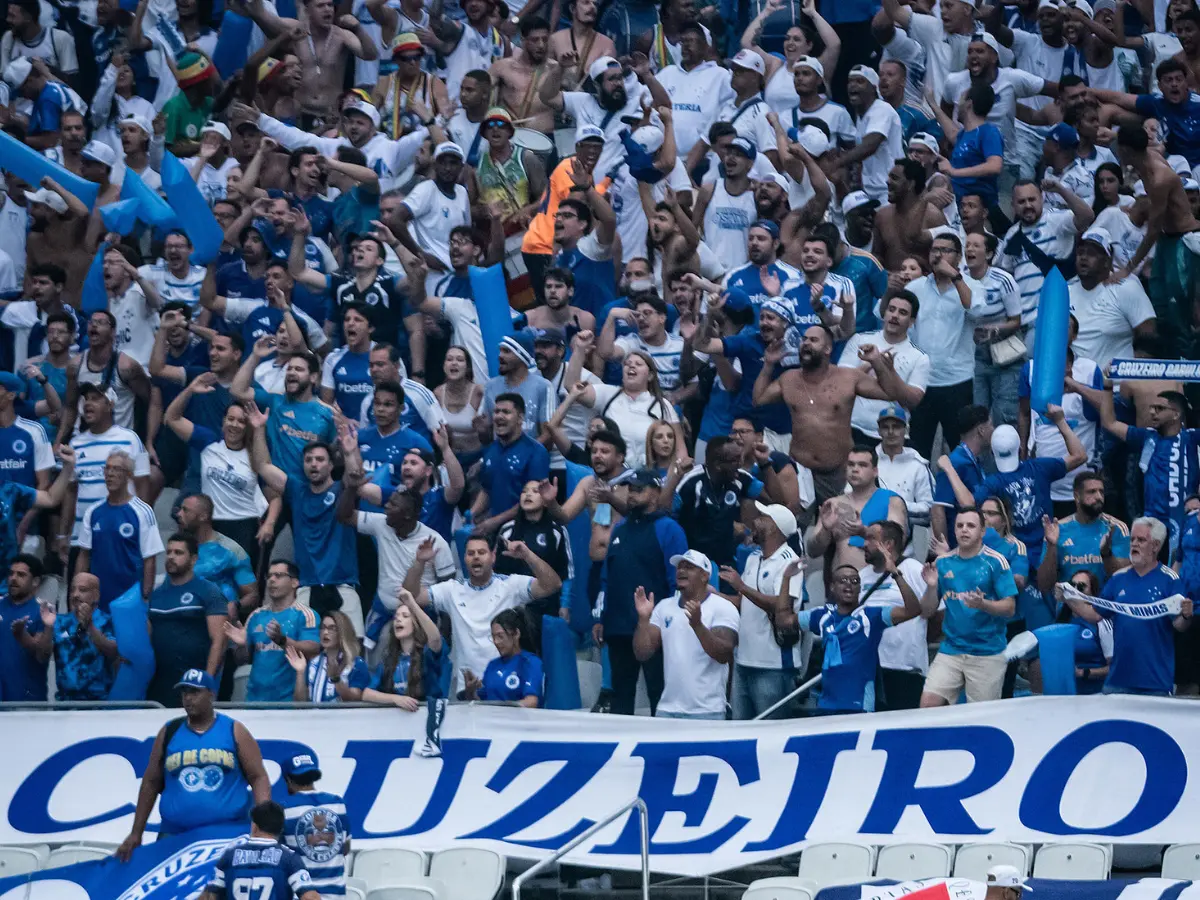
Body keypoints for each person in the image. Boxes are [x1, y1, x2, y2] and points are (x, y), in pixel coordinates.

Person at [117, 668, 271, 857]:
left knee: (223, 885)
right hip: (175, 834)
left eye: (195, 692)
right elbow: (151, 782)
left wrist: (263, 822)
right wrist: (136, 832)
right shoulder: (169, 731)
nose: (188, 698)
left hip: (227, 833)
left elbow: (258, 776)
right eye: (184, 692)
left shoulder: (233, 729)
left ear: (211, 695)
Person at [753, 324, 909, 505]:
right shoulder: (789, 378)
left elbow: (889, 393)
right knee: (793, 523)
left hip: (837, 471)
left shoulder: (848, 377)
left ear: (828, 349)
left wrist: (877, 363)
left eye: (813, 340)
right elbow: (759, 399)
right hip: (800, 469)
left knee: (838, 526)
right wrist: (768, 364)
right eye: (804, 339)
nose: (806, 343)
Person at [247, 408, 362, 636]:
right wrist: (259, 429)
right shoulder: (296, 491)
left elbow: (355, 476)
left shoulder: (342, 490)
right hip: (307, 587)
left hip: (343, 584)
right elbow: (263, 467)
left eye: (320, 459)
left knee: (351, 652)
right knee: (302, 653)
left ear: (331, 466)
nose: (314, 464)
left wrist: (350, 452)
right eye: (309, 460)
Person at [405, 533, 561, 694]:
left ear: (493, 557)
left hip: (504, 686)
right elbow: (412, 596)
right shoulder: (452, 590)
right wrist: (420, 562)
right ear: (464, 558)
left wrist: (528, 556)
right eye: (470, 553)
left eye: (481, 552)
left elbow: (553, 584)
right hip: (465, 689)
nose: (476, 557)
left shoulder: (510, 585)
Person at [1060, 516, 1193, 695]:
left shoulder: (1170, 579)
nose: (1134, 544)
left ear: (1155, 546)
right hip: (1117, 682)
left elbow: (1179, 625)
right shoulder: (1118, 578)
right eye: (1132, 539)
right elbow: (1095, 615)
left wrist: (1186, 615)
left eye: (1141, 540)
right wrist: (1067, 596)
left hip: (1155, 683)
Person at [595, 468, 687, 715]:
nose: (632, 494)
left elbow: (679, 581)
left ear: (656, 494)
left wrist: (672, 625)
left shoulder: (669, 529)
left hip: (655, 630)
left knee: (660, 694)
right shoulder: (620, 528)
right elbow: (606, 577)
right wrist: (601, 618)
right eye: (630, 489)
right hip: (618, 626)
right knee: (620, 697)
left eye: (639, 489)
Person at [921, 508, 1019, 706]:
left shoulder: (996, 562)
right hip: (951, 649)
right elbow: (926, 611)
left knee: (981, 718)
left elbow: (1010, 608)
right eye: (959, 525)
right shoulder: (942, 562)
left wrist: (983, 604)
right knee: (928, 706)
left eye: (971, 526)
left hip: (987, 652)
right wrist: (932, 588)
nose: (964, 530)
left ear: (982, 531)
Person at [719, 502, 805, 720]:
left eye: (762, 517)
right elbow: (743, 602)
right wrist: (711, 595)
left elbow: (782, 605)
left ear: (774, 527)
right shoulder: (752, 558)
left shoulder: (791, 562)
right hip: (743, 660)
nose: (754, 522)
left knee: (770, 731)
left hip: (773, 664)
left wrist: (742, 587)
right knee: (741, 730)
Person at [633, 549, 739, 720]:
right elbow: (642, 653)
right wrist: (644, 619)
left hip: (707, 711)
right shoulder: (664, 606)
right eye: (679, 567)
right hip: (667, 710)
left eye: (689, 567)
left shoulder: (723, 607)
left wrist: (697, 625)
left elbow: (723, 654)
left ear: (704, 576)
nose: (681, 571)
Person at [145, 534, 229, 707]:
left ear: (193, 559)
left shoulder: (208, 591)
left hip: (194, 682)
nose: (171, 557)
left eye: (178, 553)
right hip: (159, 684)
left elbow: (219, 641)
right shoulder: (156, 595)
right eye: (168, 552)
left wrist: (208, 682)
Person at [76, 450, 162, 610]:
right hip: (97, 600)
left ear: (129, 475)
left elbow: (150, 558)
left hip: (130, 599)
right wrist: (77, 591)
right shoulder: (93, 511)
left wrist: (144, 597)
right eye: (107, 468)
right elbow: (84, 555)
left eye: (116, 469)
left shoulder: (142, 511)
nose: (110, 474)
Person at [225, 562, 320, 702]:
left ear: (294, 582)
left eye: (278, 575)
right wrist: (241, 645)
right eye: (269, 576)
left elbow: (314, 649)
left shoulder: (305, 614)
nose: (271, 580)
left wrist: (282, 640)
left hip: (289, 701)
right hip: (254, 700)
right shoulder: (256, 615)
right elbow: (242, 660)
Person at [199, 800, 321, 900]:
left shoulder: (229, 856)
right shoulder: (289, 858)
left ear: (254, 826)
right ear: (281, 828)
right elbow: (310, 897)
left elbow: (208, 897)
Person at [473, 393, 551, 536]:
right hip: (494, 530)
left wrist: (496, 521)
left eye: (506, 412)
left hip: (525, 532)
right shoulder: (491, 450)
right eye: (496, 412)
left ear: (520, 418)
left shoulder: (536, 452)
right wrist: (472, 515)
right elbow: (486, 490)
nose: (499, 416)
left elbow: (534, 499)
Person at [279, 752, 353, 898]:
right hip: (336, 895)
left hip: (300, 895)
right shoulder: (337, 803)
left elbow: (280, 856)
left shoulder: (284, 808)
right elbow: (345, 848)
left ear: (287, 779)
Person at [47, 573, 117, 701]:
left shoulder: (108, 621)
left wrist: (90, 626)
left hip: (98, 704)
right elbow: (43, 655)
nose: (75, 595)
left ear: (96, 595)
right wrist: (47, 627)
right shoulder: (59, 622)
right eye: (72, 589)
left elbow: (112, 652)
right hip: (65, 703)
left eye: (82, 590)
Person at [462, 609, 544, 707]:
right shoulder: (493, 665)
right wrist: (470, 692)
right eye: (493, 637)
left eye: (500, 636)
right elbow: (481, 702)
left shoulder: (531, 663)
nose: (496, 642)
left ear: (516, 634)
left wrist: (502, 711)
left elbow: (531, 702)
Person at [0, 555, 51, 701]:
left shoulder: (43, 613)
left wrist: (22, 636)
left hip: (27, 701)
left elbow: (42, 655)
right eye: (11, 574)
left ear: (35, 581)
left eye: (21, 575)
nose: (13, 578)